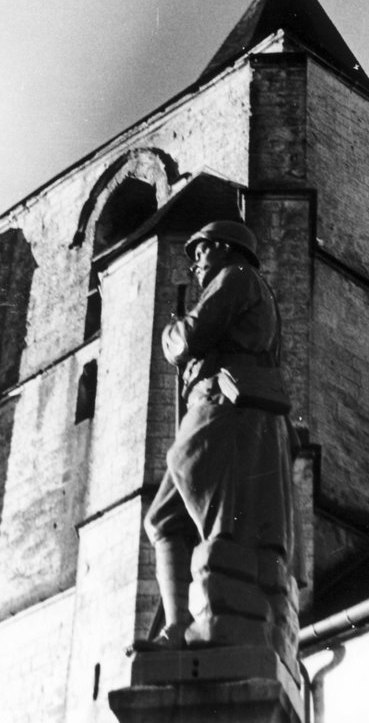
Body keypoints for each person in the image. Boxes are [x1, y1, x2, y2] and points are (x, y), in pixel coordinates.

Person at [139, 221, 304, 673]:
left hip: (220, 403)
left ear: (223, 248)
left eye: (200, 253)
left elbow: (191, 337)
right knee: (166, 519)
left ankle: (188, 623)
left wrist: (172, 332)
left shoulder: (235, 278)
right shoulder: (256, 289)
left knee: (195, 520)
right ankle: (177, 627)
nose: (195, 265)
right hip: (227, 404)